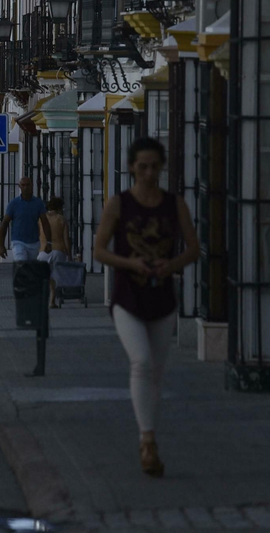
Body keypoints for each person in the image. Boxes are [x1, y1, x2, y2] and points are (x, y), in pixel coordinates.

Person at [92, 136, 199, 479]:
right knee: (141, 362)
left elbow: (193, 248)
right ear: (132, 168)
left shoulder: (175, 204)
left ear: (162, 167)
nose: (149, 173)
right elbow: (99, 250)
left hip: (162, 297)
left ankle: (149, 433)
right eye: (142, 167)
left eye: (154, 167)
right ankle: (147, 441)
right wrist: (130, 263)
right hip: (128, 297)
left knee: (156, 371)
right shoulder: (119, 204)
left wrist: (172, 265)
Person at [0, 176, 46, 262]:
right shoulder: (13, 204)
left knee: (31, 267)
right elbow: (4, 224)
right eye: (23, 185)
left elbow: (45, 223)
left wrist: (49, 242)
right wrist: (1, 245)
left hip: (34, 242)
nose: (26, 187)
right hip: (18, 241)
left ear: (32, 185)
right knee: (21, 264)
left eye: (28, 185)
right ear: (19, 186)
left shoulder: (38, 203)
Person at [41, 196, 69, 307]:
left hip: (43, 251)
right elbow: (66, 239)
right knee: (55, 276)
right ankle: (52, 300)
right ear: (59, 207)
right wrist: (69, 254)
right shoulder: (62, 219)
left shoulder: (41, 219)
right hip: (59, 250)